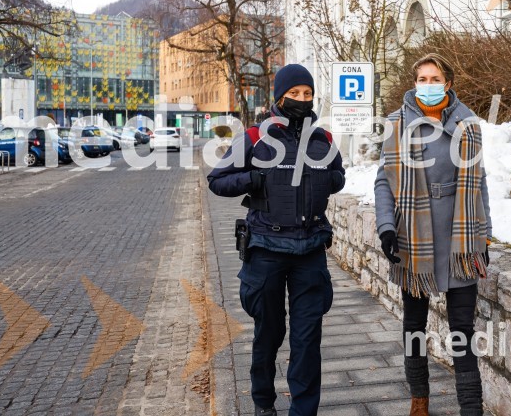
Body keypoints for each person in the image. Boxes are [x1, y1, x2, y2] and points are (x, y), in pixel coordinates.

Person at [207, 64, 346, 416]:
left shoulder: (323, 139)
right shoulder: (256, 137)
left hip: (310, 251)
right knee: (268, 333)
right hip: (266, 251)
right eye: (294, 93)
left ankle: (303, 411)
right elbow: (217, 180)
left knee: (307, 339)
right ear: (279, 96)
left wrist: (327, 181)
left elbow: (338, 175)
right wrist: (252, 179)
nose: (302, 99)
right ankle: (263, 403)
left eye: (307, 93)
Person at [374, 53, 492, 416]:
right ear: (414, 83)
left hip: (460, 238)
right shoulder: (396, 124)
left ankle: (470, 409)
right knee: (414, 325)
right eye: (422, 79)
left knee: (462, 329)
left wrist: (484, 235)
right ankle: (419, 399)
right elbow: (384, 181)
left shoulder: (467, 123)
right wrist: (386, 228)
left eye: (435, 79)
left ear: (448, 83)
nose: (428, 85)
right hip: (414, 236)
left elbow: (479, 183)